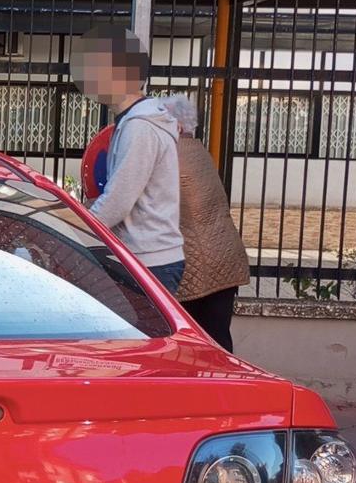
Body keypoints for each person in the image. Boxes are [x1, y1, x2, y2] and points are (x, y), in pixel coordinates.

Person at [69, 25, 185, 295]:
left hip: (150, 260)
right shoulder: (134, 122)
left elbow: (117, 202)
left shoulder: (140, 127)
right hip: (147, 256)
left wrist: (71, 231)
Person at [163, 94, 251, 351]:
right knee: (218, 339)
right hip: (225, 258)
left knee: (191, 344)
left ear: (176, 126)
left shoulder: (172, 156)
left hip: (199, 266)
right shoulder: (199, 151)